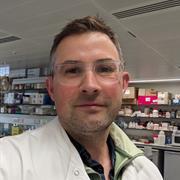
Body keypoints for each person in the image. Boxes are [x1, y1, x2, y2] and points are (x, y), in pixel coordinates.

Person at [0, 16, 163, 180]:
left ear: (123, 84)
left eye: (105, 68)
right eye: (72, 70)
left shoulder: (149, 173)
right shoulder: (8, 161)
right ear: (51, 88)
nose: (90, 86)